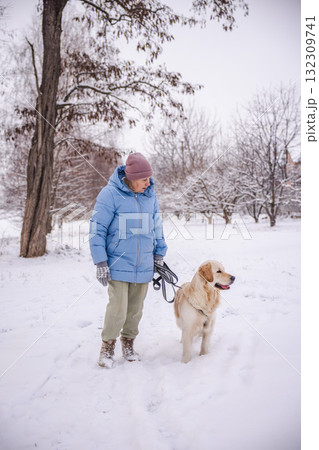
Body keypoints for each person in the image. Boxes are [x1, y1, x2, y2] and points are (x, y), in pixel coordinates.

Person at [89, 152, 167, 368]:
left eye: (149, 178)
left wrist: (159, 252)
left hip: (143, 264)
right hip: (117, 263)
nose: (148, 183)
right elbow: (97, 229)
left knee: (135, 309)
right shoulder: (110, 194)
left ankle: (129, 343)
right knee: (118, 308)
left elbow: (157, 225)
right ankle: (107, 347)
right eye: (144, 179)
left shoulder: (150, 196)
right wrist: (100, 261)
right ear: (131, 178)